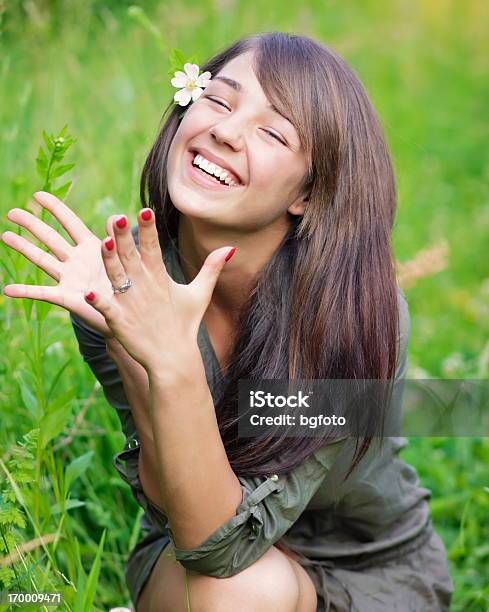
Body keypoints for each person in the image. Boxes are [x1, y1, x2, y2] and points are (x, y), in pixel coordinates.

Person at [2, 32, 453, 612]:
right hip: (204, 567)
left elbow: (229, 545)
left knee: (242, 586)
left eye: (271, 131)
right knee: (234, 591)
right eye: (219, 100)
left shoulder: (355, 315)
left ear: (310, 194)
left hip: (364, 571)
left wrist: (172, 360)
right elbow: (191, 530)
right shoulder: (124, 286)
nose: (225, 130)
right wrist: (133, 345)